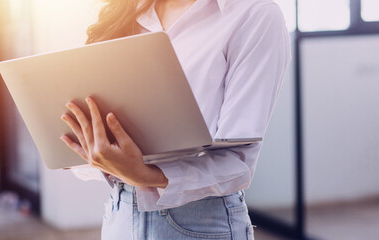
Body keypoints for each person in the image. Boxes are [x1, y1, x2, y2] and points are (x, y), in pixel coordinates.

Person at [59, 0, 291, 239]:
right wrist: (93, 150)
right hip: (120, 217)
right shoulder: (128, 12)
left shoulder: (254, 14)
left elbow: (239, 162)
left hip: (201, 225)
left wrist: (147, 174)